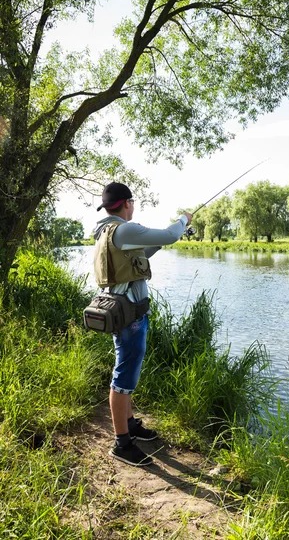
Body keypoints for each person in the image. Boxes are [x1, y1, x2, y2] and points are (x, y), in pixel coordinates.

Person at [93, 181, 193, 467]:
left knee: (128, 367)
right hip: (128, 314)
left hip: (121, 309)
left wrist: (158, 243)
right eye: (132, 203)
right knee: (124, 374)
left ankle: (130, 423)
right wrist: (183, 220)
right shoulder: (123, 228)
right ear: (127, 203)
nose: (133, 207)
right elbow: (171, 234)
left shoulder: (106, 231)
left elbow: (136, 258)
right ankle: (122, 443)